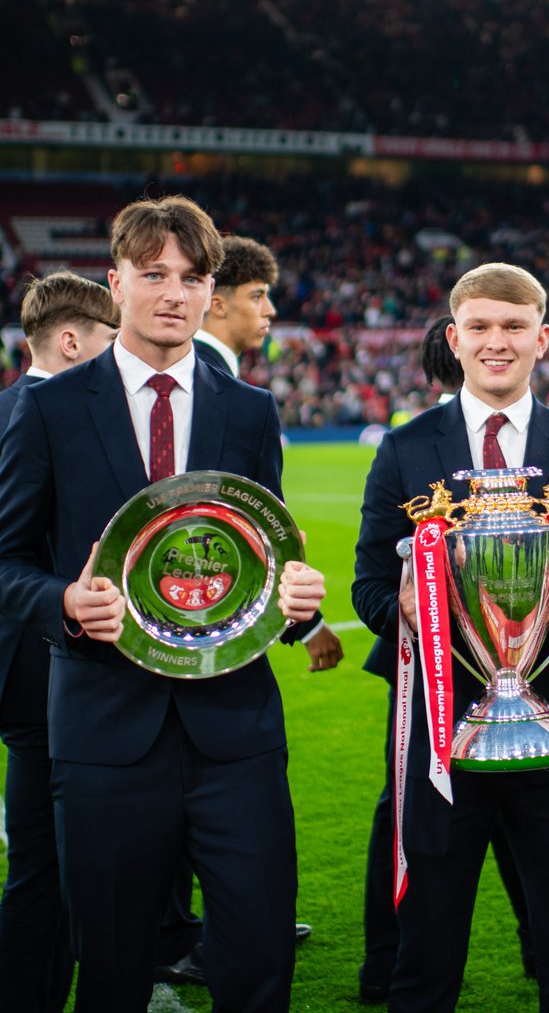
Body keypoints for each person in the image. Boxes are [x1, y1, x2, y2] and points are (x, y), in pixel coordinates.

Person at [0, 195, 326, 1013]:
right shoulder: (47, 408)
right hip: (105, 731)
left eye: (192, 276)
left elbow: (263, 554)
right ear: (116, 283)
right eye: (154, 274)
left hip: (234, 735)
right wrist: (65, 601)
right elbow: (5, 562)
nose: (174, 292)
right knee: (111, 970)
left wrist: (295, 601)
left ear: (209, 289)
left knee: (256, 962)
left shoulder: (250, 411)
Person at [353, 264, 549, 1013]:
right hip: (438, 742)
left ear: (543, 339)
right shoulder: (405, 449)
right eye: (479, 326)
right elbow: (368, 589)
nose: (496, 342)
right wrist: (404, 607)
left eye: (514, 327)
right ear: (454, 337)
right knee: (427, 953)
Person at [152, 233, 341, 986]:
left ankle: (197, 925)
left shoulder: (233, 388)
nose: (270, 310)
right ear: (219, 300)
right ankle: (189, 932)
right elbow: (247, 530)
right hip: (185, 639)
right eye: (261, 296)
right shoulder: (201, 379)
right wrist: (304, 622)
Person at [0, 271, 119, 1013]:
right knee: (64, 868)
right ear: (71, 340)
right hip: (50, 666)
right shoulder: (51, 414)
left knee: (42, 868)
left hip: (25, 668)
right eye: (109, 342)